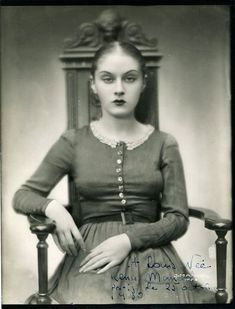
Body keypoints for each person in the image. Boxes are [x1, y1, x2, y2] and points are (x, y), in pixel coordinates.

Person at [13, 41, 215, 304]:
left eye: (129, 78)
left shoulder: (164, 143)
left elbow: (178, 218)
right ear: (93, 85)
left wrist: (129, 240)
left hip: (151, 252)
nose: (119, 89)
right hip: (90, 255)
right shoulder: (73, 142)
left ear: (143, 82)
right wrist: (53, 208)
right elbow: (23, 195)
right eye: (108, 79)